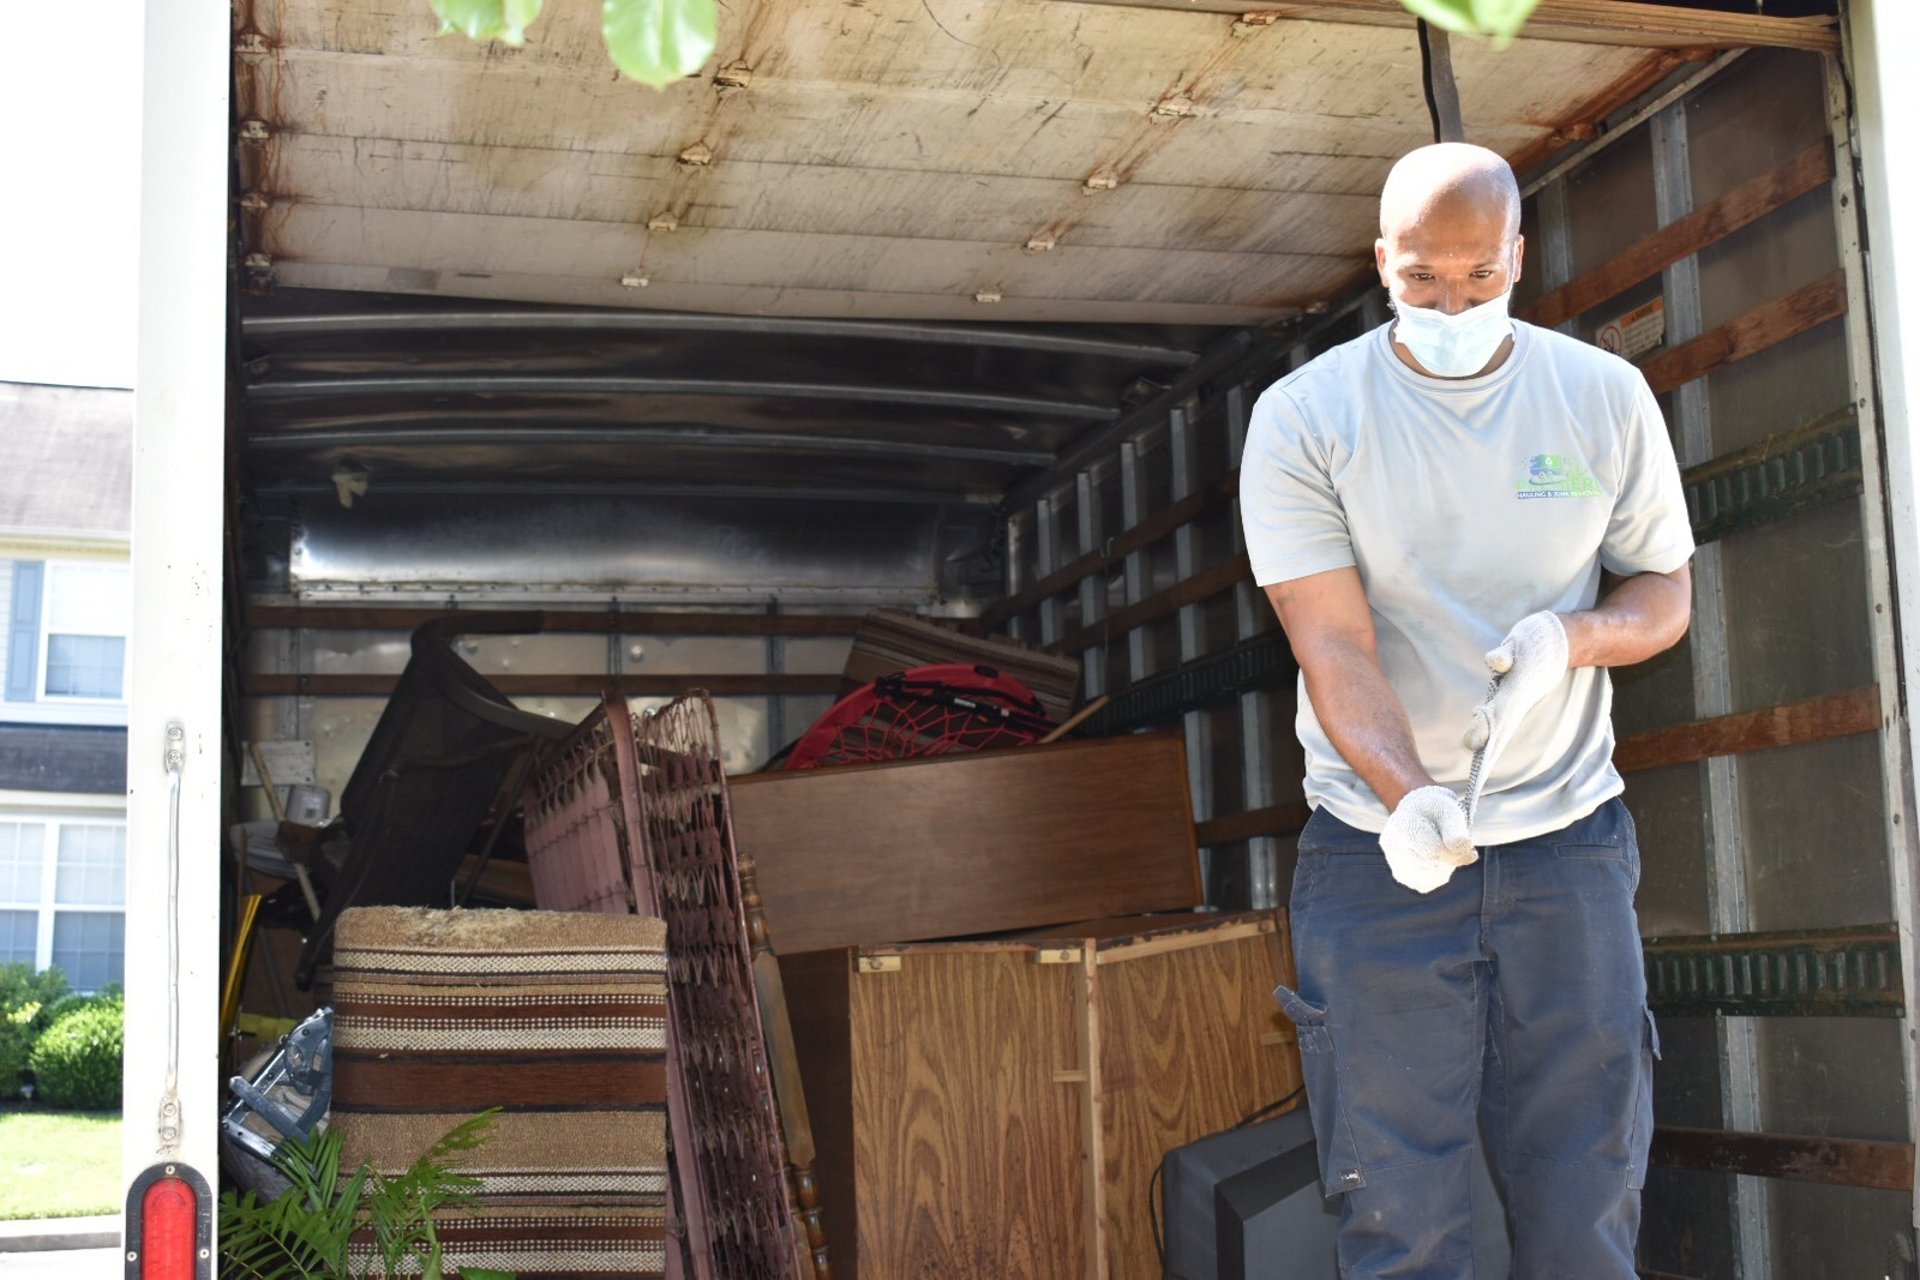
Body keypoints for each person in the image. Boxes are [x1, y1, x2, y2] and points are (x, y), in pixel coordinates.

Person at [1240, 142, 1694, 1278]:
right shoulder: (1306, 417)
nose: (1453, 304)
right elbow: (1333, 641)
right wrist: (1410, 797)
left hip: (1568, 841)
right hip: (1380, 850)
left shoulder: (1600, 397)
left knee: (1585, 1194)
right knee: (1397, 1210)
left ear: (1518, 256)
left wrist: (1572, 638)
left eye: (1480, 277)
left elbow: (1664, 591)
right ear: (1380, 261)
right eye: (1423, 280)